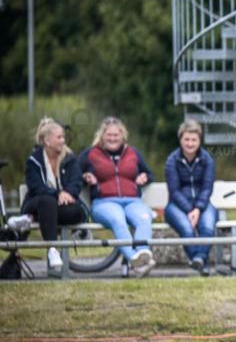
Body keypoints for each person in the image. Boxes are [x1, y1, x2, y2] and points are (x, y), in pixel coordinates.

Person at [7, 118, 90, 273]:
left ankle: (29, 219)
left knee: (75, 211)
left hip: (59, 208)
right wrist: (58, 193)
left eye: (63, 137)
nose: (63, 141)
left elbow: (76, 181)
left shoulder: (70, 158)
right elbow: (36, 187)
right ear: (47, 140)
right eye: (59, 137)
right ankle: (53, 248)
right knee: (47, 201)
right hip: (38, 202)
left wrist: (68, 193)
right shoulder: (33, 161)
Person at [79, 117, 157, 277]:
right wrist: (85, 177)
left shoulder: (133, 152)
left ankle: (142, 257)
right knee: (118, 219)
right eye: (109, 135)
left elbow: (148, 173)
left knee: (144, 217)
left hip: (133, 201)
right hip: (104, 202)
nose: (112, 139)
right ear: (102, 136)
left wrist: (144, 178)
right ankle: (134, 260)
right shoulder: (90, 154)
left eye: (116, 135)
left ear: (122, 135)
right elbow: (74, 174)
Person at [165, 119, 217, 276]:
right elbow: (174, 191)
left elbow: (207, 188)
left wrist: (198, 209)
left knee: (207, 226)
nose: (190, 143)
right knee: (186, 228)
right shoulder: (172, 160)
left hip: (202, 204)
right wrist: (189, 210)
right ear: (180, 139)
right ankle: (202, 261)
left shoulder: (207, 159)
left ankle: (199, 259)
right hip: (177, 205)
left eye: (194, 140)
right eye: (186, 139)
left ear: (199, 140)